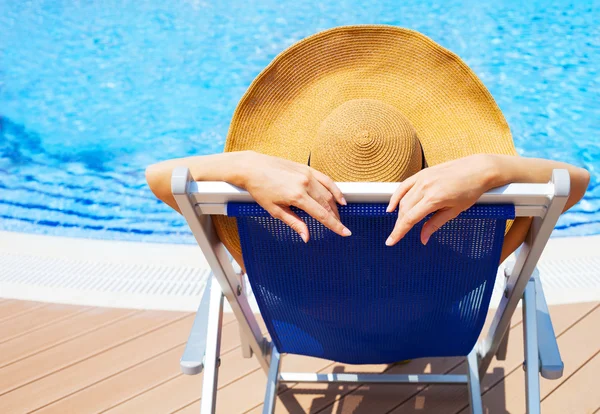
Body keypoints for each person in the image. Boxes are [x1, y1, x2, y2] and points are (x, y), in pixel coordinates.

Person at [145, 26, 590, 269]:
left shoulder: (284, 253)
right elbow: (575, 183)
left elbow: (161, 179)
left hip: (312, 332)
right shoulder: (451, 260)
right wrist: (493, 169)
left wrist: (243, 165)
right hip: (431, 327)